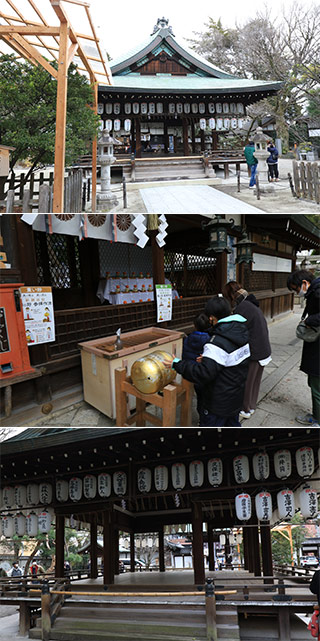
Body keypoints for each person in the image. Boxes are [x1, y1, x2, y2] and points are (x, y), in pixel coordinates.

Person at [164, 296, 250, 426]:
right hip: (236, 397)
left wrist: (176, 364)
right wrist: (209, 360)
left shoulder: (216, 343)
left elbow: (202, 374)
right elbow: (231, 361)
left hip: (218, 403)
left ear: (212, 318)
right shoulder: (241, 331)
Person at [222, 281, 272, 420]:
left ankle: (245, 409)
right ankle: (251, 407)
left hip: (255, 349)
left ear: (231, 295)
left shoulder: (242, 308)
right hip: (263, 347)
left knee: (247, 381)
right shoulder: (249, 303)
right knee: (255, 380)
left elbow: (237, 332)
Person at [287, 269, 320, 427]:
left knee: (316, 384)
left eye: (296, 288)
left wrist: (309, 321)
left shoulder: (317, 292)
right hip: (316, 344)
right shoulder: (314, 291)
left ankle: (318, 419)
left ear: (305, 283)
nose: (296, 292)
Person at [182, 313, 211, 417]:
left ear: (194, 325)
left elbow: (185, 355)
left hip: (191, 372)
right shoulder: (210, 340)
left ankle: (201, 415)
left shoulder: (188, 339)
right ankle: (203, 417)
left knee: (199, 396)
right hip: (204, 374)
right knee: (204, 398)